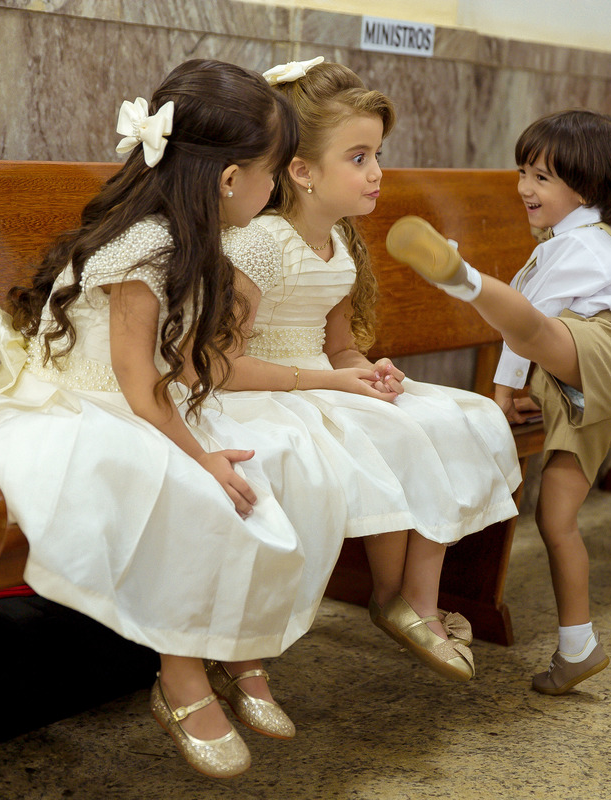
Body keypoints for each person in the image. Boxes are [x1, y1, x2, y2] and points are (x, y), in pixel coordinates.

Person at [0, 59, 304, 779]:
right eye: (273, 171)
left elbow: (175, 368)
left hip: (129, 406)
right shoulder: (143, 248)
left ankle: (235, 652)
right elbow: (135, 382)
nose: (274, 188)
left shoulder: (186, 238)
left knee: (263, 466)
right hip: (76, 413)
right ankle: (181, 679)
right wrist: (203, 456)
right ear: (229, 180)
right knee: (195, 487)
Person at [210, 57, 523, 683]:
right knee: (395, 436)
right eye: (358, 158)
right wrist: (333, 379)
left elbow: (339, 346)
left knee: (459, 416)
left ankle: (417, 597)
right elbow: (221, 365)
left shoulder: (341, 242)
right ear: (300, 171)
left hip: (320, 381)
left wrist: (367, 369)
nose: (377, 173)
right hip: (262, 389)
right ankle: (388, 597)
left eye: (377, 155)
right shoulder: (259, 244)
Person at [385, 109, 611, 695]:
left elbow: (528, 329)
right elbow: (530, 328)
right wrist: (525, 394)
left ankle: (465, 280)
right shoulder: (560, 243)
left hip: (597, 352)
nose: (525, 187)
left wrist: (503, 386)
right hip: (580, 391)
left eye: (543, 178)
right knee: (557, 520)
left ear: (590, 188)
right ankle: (578, 647)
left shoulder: (582, 244)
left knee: (535, 327)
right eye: (523, 171)